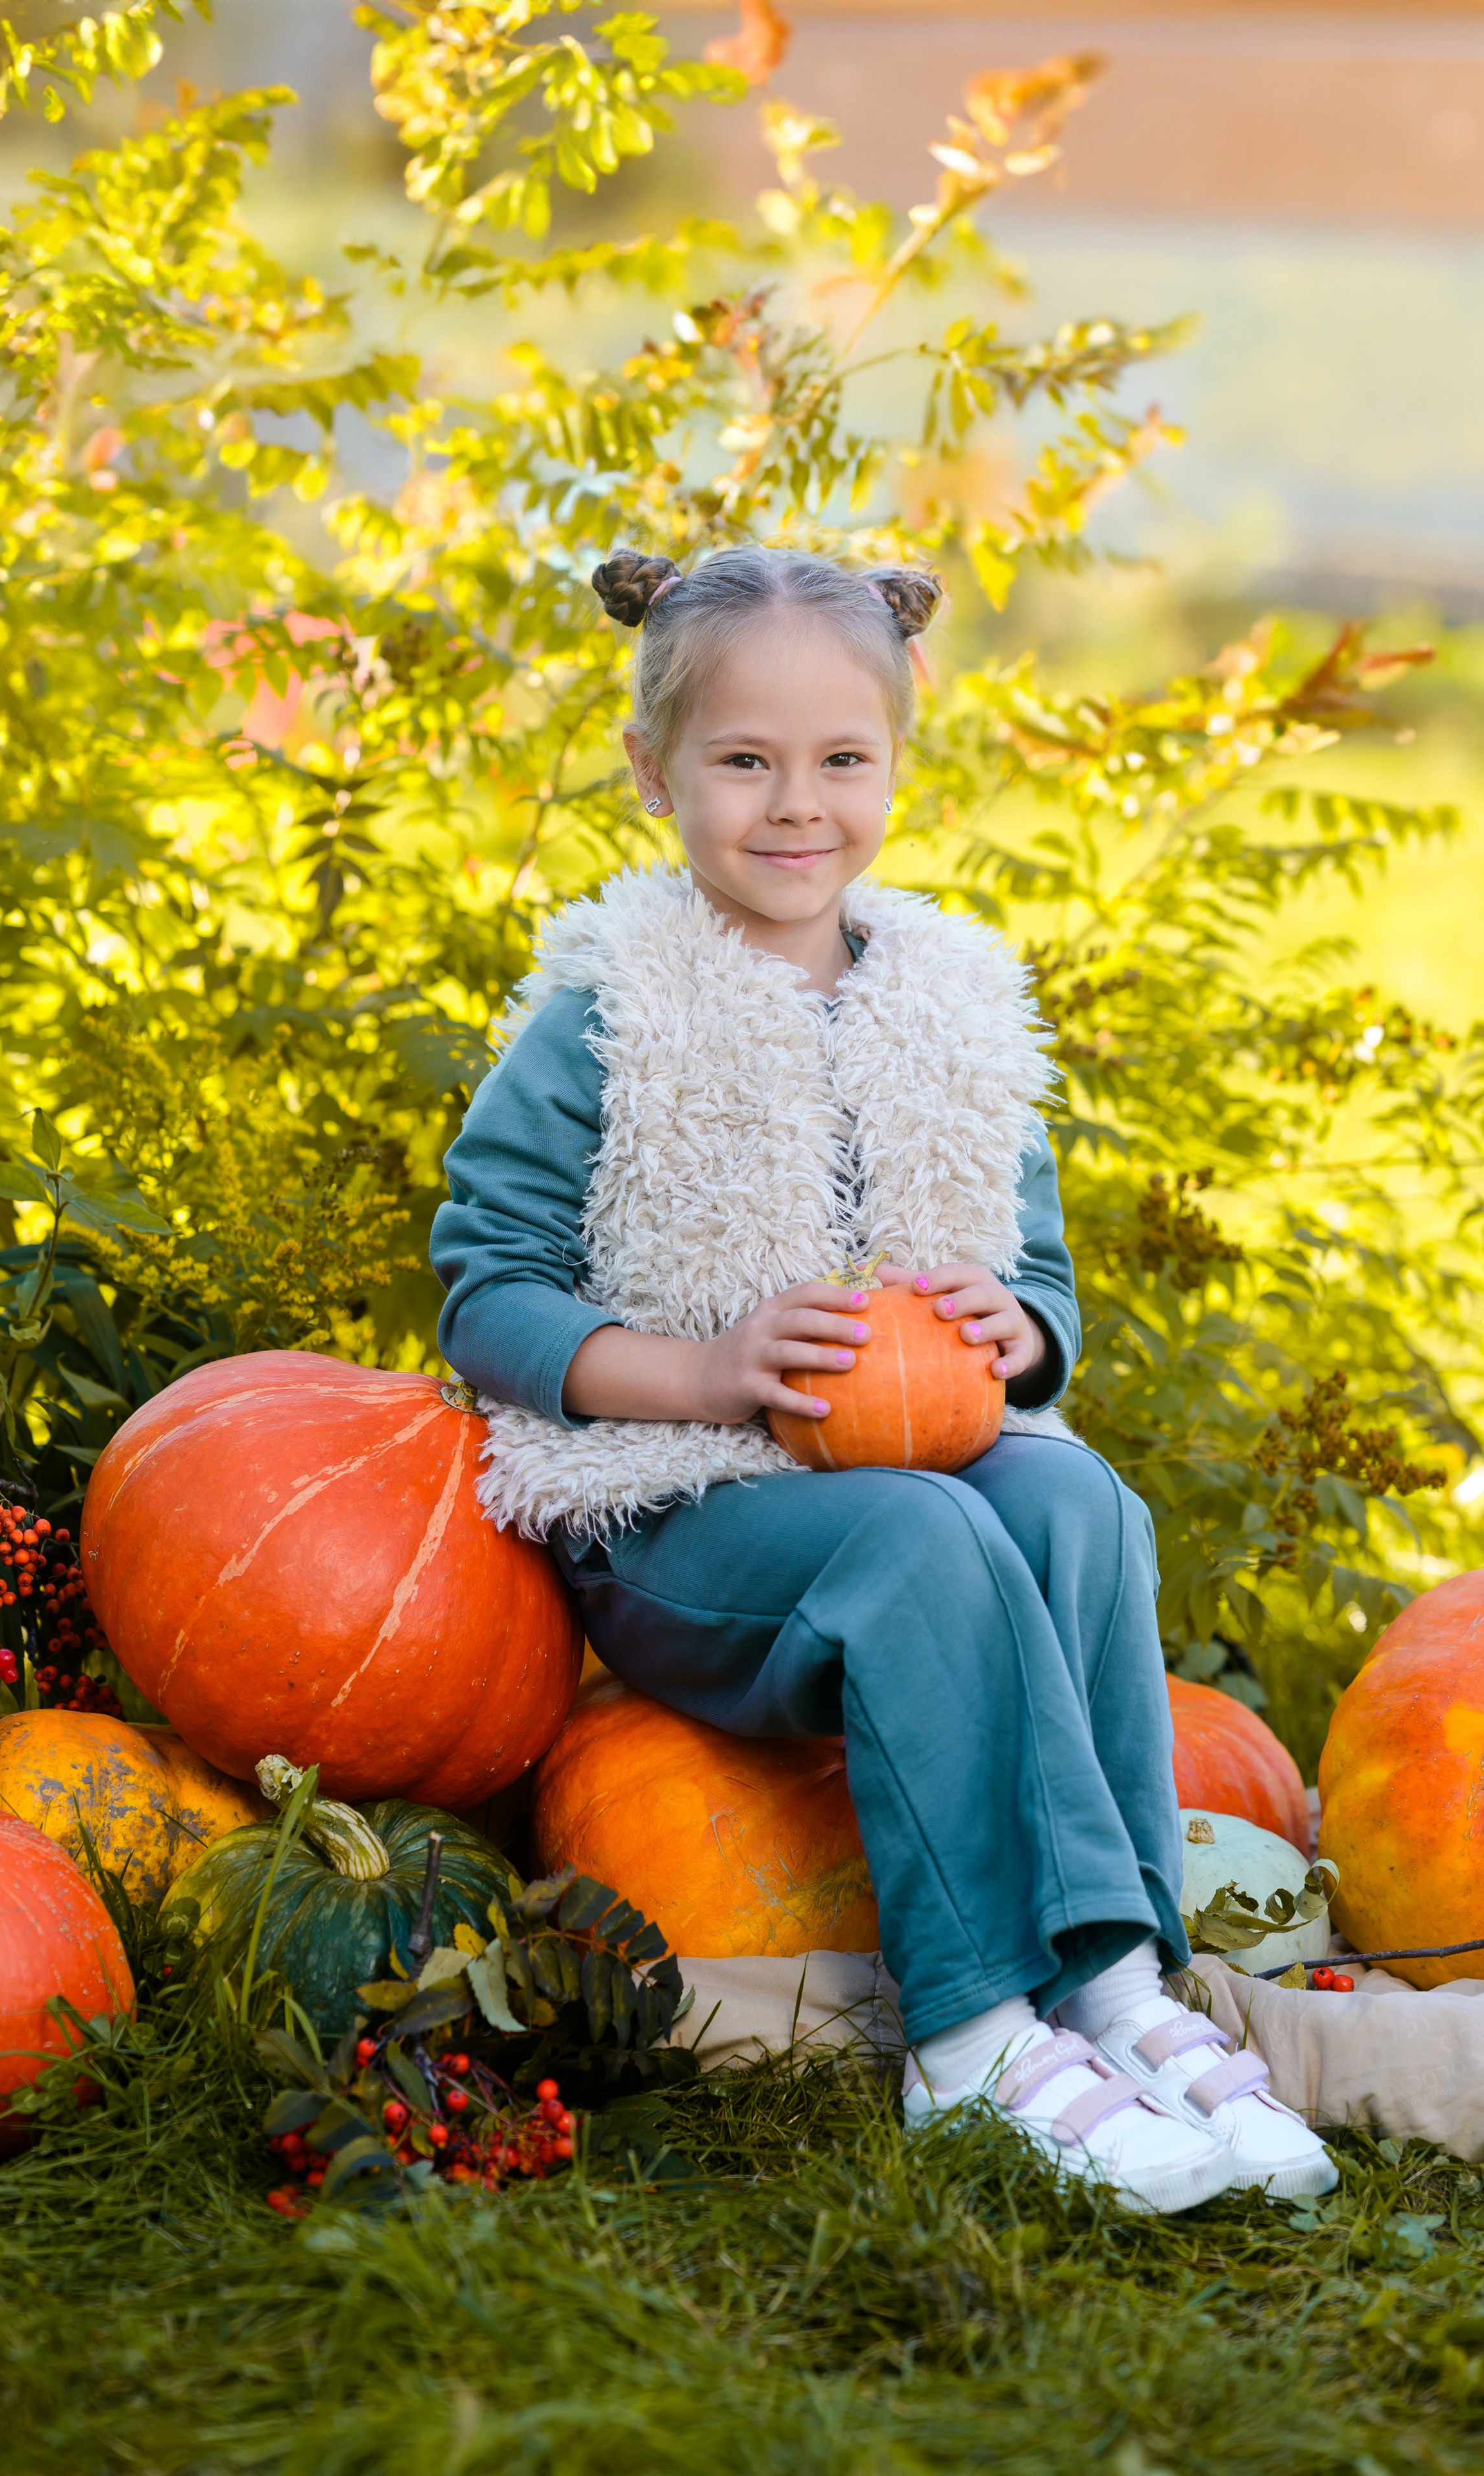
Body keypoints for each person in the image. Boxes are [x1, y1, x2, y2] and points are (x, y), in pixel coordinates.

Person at [431, 544, 1335, 2213]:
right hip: (677, 1511)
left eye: (843, 759)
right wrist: (704, 1371)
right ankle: (974, 2039)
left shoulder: (956, 1006)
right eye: (745, 760)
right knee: (922, 1542)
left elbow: (1039, 1275)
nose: (798, 806)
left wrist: (1020, 1333)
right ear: (656, 772)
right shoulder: (608, 1017)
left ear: (900, 762)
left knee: (1070, 1493)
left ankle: (1116, 1979)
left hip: (917, 1463)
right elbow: (488, 1296)